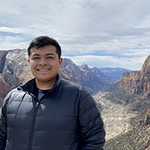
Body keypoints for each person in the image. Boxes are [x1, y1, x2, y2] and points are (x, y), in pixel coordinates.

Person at [0, 36, 105, 150]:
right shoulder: (12, 97)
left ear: (60, 62)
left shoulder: (79, 96)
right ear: (29, 62)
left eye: (49, 57)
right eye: (36, 57)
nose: (42, 63)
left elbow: (95, 141)